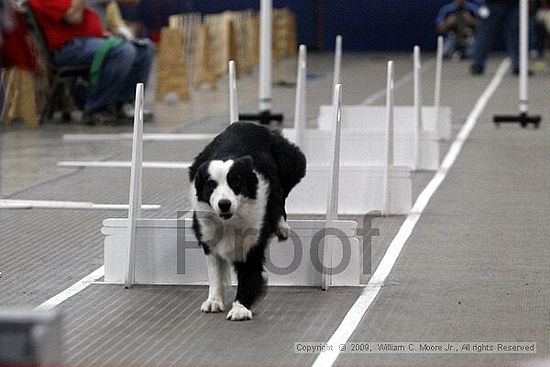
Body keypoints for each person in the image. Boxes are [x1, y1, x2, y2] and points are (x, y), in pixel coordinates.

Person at [28, 0, 154, 124]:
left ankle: (123, 103)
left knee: (144, 49)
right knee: (123, 51)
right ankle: (97, 108)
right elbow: (74, 17)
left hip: (90, 41)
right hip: (68, 48)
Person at [470, 0, 520, 75]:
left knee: (515, 34)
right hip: (493, 3)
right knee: (486, 33)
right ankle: (478, 63)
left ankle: (518, 64)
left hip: (513, 4)